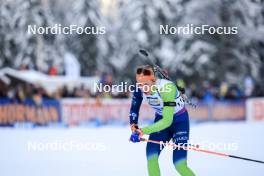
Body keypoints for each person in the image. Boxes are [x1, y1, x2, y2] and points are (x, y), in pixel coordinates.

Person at [129, 65, 195, 176]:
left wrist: (143, 131)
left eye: (146, 84)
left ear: (153, 80)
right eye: (140, 85)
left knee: (179, 164)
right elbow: (134, 109)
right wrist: (134, 126)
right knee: (151, 157)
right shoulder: (139, 89)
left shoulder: (166, 88)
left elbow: (167, 121)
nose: (143, 88)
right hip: (160, 120)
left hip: (179, 122)